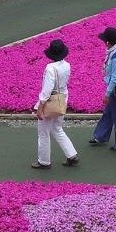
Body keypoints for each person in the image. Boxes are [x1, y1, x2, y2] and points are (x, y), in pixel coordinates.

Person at [32, 39, 80, 169]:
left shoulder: (50, 68)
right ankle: (71, 154)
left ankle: (44, 161)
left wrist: (40, 107)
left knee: (43, 133)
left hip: (50, 101)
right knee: (57, 128)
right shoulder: (67, 65)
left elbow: (47, 90)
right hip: (62, 98)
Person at [88, 26, 116, 151]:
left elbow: (115, 78)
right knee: (108, 113)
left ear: (108, 42)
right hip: (115, 89)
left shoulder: (115, 57)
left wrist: (107, 94)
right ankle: (100, 136)